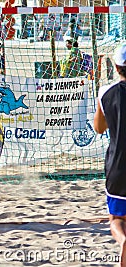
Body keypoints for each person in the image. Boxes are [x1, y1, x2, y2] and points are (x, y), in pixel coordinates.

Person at [93, 43, 126, 266]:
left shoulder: (106, 92)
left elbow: (98, 128)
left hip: (118, 164)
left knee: (116, 219)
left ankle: (123, 240)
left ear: (115, 67)